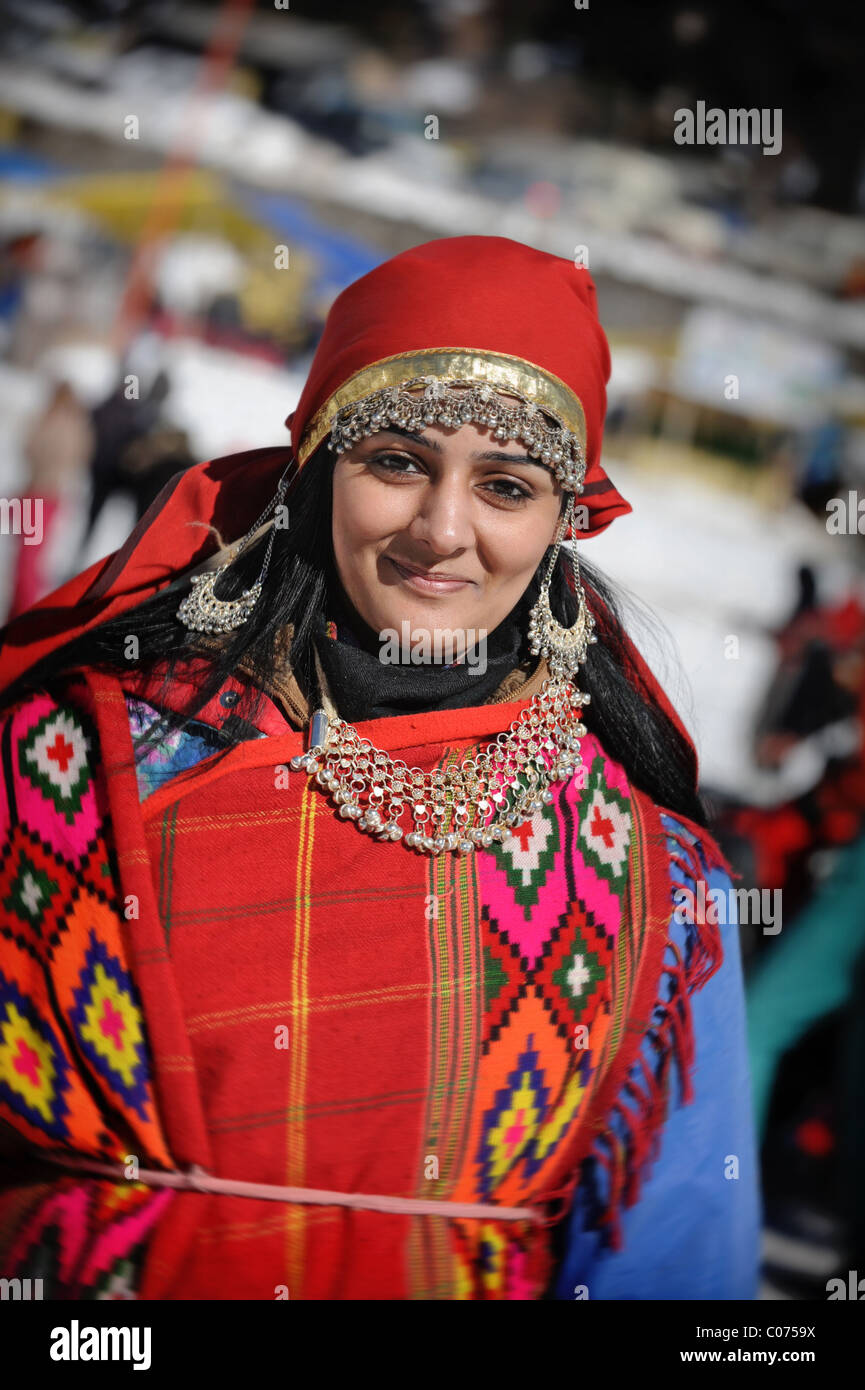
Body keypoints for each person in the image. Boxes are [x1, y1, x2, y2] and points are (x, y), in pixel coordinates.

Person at [0, 236, 759, 1300]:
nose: (442, 532)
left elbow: (675, 1260)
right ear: (315, 468)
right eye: (396, 462)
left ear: (561, 524)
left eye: (504, 486)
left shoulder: (647, 882)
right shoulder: (74, 768)